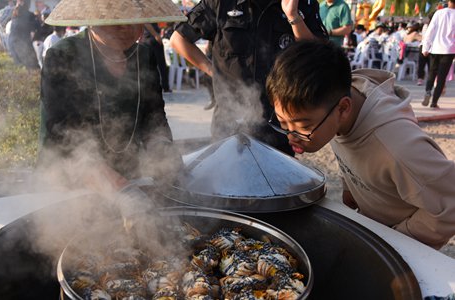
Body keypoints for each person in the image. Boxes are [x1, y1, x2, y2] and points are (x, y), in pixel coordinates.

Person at [265, 39, 455, 249]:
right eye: (283, 122)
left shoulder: (397, 148)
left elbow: (450, 204)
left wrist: (398, 239)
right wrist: (350, 187)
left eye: (302, 125)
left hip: (402, 241)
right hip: (374, 222)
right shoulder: (336, 104)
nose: (291, 135)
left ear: (343, 109)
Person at [39, 0, 186, 191]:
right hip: (70, 183)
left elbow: (154, 119)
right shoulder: (64, 55)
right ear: (92, 19)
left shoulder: (144, 57)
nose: (125, 27)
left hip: (128, 173)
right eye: (114, 18)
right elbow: (60, 133)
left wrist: (164, 151)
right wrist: (111, 182)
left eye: (132, 17)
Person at [170, 0, 328, 156]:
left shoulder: (301, 4)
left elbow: (320, 56)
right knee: (229, 178)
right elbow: (178, 39)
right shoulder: (220, 3)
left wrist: (293, 16)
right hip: (230, 123)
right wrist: (212, 70)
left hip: (278, 125)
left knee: (277, 179)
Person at [421, 0, 455, 109]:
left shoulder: (439, 13)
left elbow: (430, 30)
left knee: (432, 72)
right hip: (449, 50)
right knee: (441, 77)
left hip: (435, 48)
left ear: (449, 1)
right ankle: (434, 102)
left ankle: (427, 91)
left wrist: (425, 47)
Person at [140, 23, 172, 93]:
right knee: (160, 65)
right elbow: (146, 22)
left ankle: (154, 86)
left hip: (146, 39)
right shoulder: (148, 13)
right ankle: (165, 86)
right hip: (151, 38)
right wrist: (155, 35)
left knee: (150, 65)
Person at [8, 0, 39, 70]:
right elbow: (36, 28)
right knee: (32, 66)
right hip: (22, 44)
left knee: (19, 67)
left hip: (12, 44)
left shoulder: (14, 17)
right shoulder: (28, 16)